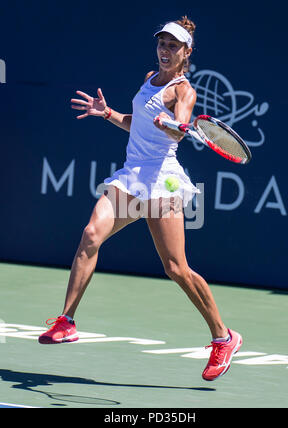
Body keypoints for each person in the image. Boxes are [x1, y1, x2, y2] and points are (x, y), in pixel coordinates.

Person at [38, 16, 242, 381]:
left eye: (173, 47)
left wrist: (174, 126)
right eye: (162, 44)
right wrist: (109, 114)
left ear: (186, 53)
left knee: (175, 268)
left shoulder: (184, 91)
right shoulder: (149, 79)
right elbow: (140, 122)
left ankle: (223, 337)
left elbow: (178, 129)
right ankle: (67, 321)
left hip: (162, 181)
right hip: (132, 175)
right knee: (90, 235)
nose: (165, 51)